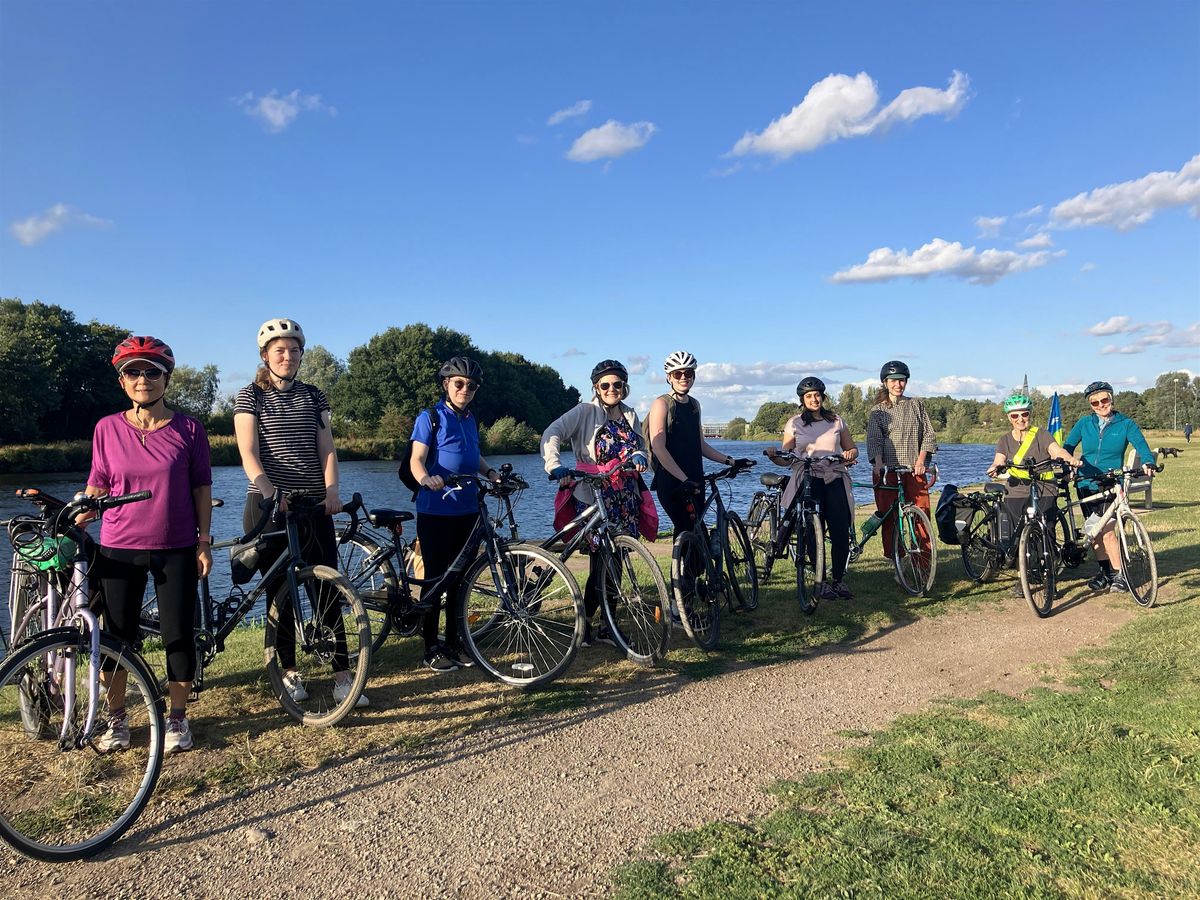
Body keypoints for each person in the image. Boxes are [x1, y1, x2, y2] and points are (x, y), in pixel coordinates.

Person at [86, 336, 212, 754]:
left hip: (176, 546)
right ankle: (118, 718)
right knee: (116, 637)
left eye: (152, 371)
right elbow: (98, 484)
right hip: (118, 547)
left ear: (166, 378)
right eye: (134, 372)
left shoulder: (190, 429)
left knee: (178, 633)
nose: (143, 380)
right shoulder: (106, 428)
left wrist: (204, 541)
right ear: (122, 380)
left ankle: (177, 718)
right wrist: (82, 509)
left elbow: (200, 489)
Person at [234, 318, 365, 707]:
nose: (287, 356)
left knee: (328, 586)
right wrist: (271, 491)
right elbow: (248, 452)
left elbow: (327, 448)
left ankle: (343, 674)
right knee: (280, 593)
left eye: (294, 350)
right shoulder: (249, 397)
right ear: (265, 355)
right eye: (279, 350)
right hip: (268, 502)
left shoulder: (314, 395)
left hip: (311, 503)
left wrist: (332, 491)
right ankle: (288, 672)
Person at [543, 359, 653, 645]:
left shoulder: (629, 414)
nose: (612, 389)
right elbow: (551, 434)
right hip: (594, 493)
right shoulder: (584, 411)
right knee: (601, 561)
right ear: (596, 387)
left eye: (617, 384)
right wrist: (554, 465)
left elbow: (640, 447)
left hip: (625, 495)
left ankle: (605, 625)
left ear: (624, 387)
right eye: (605, 385)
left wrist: (642, 456)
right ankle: (590, 622)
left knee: (616, 560)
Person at [408, 357, 502, 672]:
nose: (465, 389)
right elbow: (416, 459)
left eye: (471, 385)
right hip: (437, 508)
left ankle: (455, 641)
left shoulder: (470, 419)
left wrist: (490, 472)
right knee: (436, 578)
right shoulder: (430, 417)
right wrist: (425, 479)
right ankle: (430, 647)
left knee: (461, 579)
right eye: (459, 383)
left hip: (468, 509)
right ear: (447, 384)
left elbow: (472, 456)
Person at [766, 377, 859, 600]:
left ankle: (838, 580)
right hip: (808, 478)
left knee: (840, 529)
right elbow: (787, 458)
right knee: (811, 532)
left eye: (817, 395)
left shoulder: (836, 421)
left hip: (834, 476)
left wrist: (849, 454)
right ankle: (821, 581)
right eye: (809, 396)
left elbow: (852, 449)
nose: (814, 399)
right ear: (802, 400)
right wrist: (774, 457)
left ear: (823, 397)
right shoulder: (795, 423)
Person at [1062, 381, 1156, 593]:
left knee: (1107, 531)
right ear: (1090, 405)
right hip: (1086, 482)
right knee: (1094, 531)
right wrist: (1067, 463)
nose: (1100, 405)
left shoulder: (1126, 424)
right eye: (1095, 402)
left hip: (1111, 482)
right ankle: (1106, 573)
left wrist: (1148, 461)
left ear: (1112, 399)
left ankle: (1120, 574)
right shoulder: (1084, 423)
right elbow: (1068, 447)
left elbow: (1141, 445)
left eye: (1104, 400)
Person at [986, 393, 1080, 594]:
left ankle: (1049, 577)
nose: (1020, 419)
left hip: (1044, 488)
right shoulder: (1004, 440)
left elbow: (1056, 451)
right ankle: (1026, 576)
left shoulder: (1042, 434)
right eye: (1015, 416)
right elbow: (999, 459)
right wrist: (995, 466)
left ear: (1030, 414)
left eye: (1024, 414)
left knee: (1047, 531)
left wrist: (1069, 458)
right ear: (1009, 418)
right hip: (1016, 490)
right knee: (1021, 535)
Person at [647, 350, 750, 536]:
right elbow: (658, 447)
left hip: (695, 479)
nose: (683, 377)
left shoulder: (694, 404)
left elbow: (701, 445)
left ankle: (696, 565)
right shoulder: (661, 404)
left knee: (698, 535)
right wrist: (682, 479)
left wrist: (731, 461)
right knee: (685, 530)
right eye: (678, 374)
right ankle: (680, 565)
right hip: (671, 481)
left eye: (688, 373)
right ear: (669, 377)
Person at [865, 360, 938, 572]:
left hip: (914, 469)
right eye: (894, 381)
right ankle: (896, 559)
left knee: (920, 513)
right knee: (889, 517)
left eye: (902, 380)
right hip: (888, 470)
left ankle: (923, 562)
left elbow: (929, 434)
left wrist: (921, 460)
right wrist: (878, 464)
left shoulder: (916, 404)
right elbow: (874, 440)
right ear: (885, 383)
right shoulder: (878, 411)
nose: (898, 385)